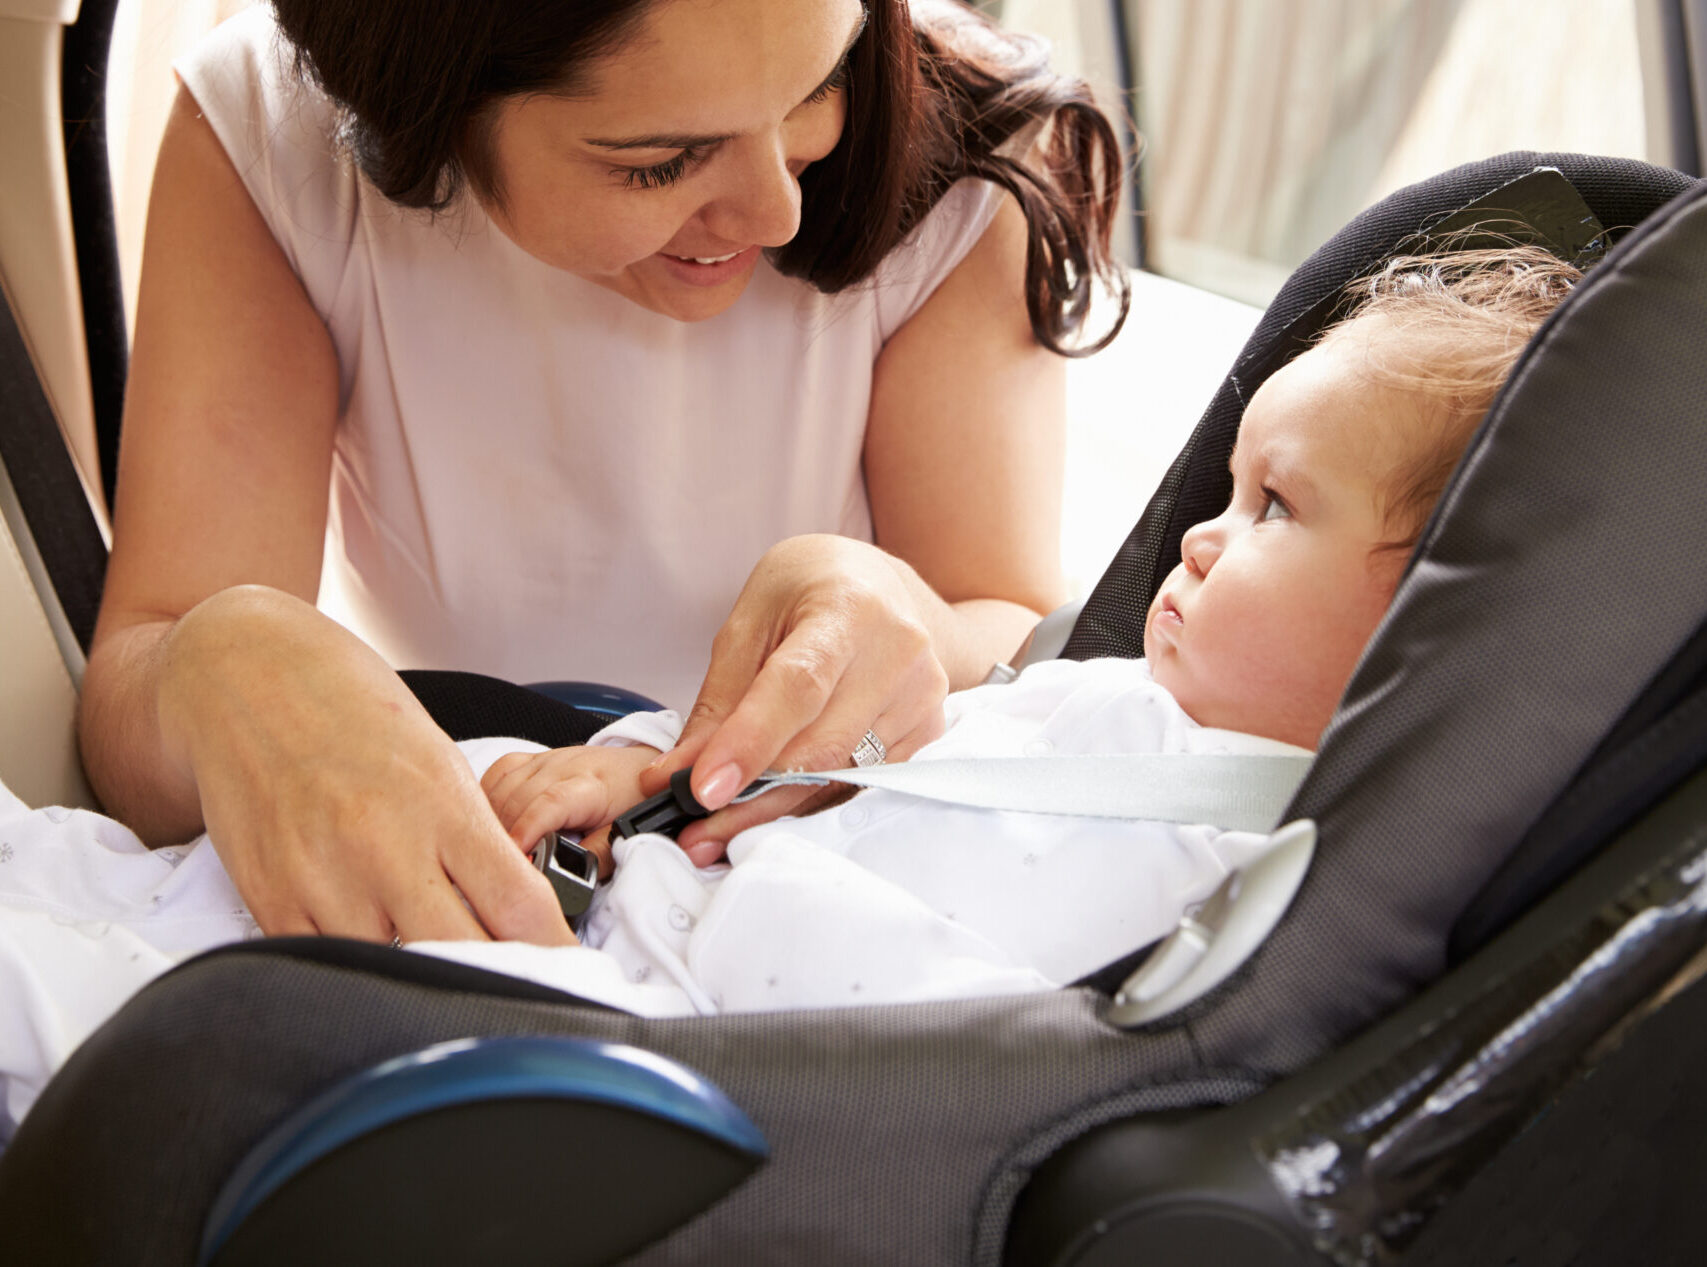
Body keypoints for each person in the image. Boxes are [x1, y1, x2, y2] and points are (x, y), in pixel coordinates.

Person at [75, 0, 1128, 953]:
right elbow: (143, 677)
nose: (770, 207)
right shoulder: (271, 140)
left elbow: (1006, 622)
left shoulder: (963, 150)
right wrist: (231, 666)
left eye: (816, 86)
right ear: (417, 107)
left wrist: (904, 621)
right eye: (658, 161)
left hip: (808, 869)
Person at [0, 244, 1579, 1124]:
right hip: (614, 912)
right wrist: (642, 780)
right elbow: (872, 786)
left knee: (87, 994)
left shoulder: (1218, 860)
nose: (1197, 544)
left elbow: (919, 1031)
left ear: (1438, 623)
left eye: (1278, 511)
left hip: (641, 1033)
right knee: (81, 876)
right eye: (1224, 492)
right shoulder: (1112, 722)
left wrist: (709, 860)